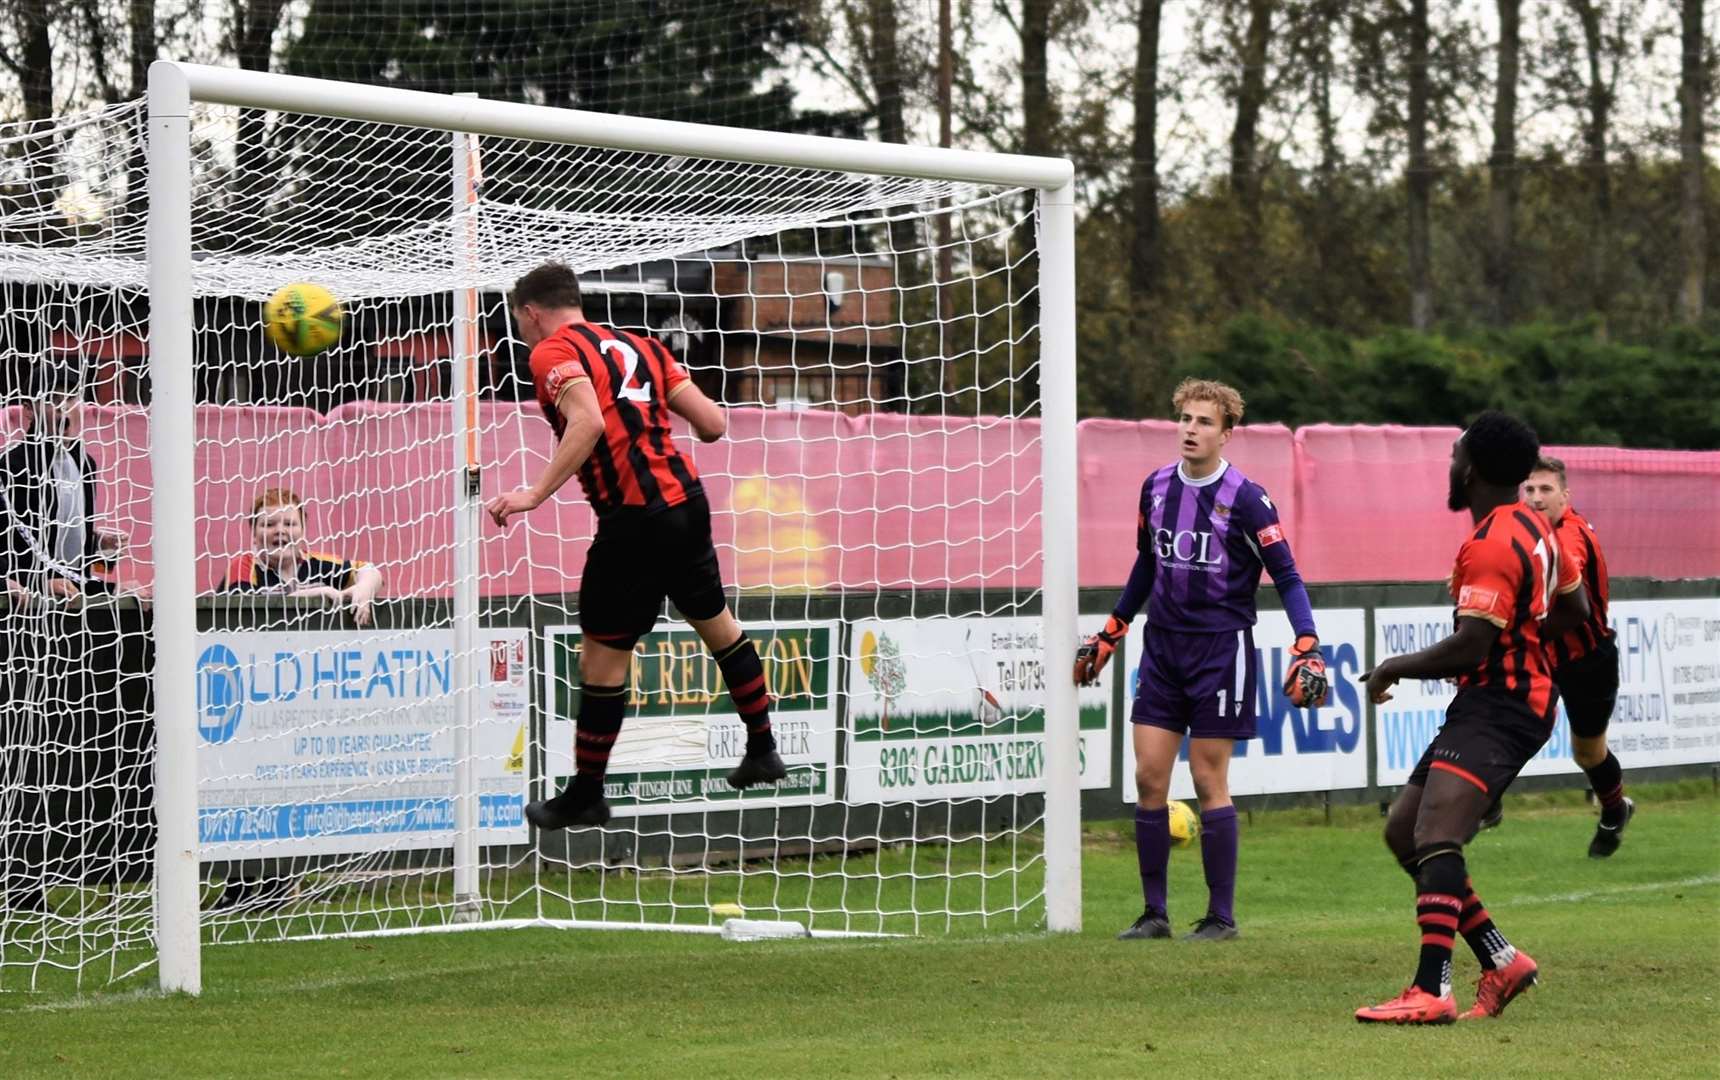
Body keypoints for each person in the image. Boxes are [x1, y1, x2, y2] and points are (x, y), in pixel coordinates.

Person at [488, 261, 783, 831]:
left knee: (601, 655)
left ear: (531, 313)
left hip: (632, 519)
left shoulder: (551, 351)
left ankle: (586, 794)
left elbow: (588, 423)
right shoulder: (643, 346)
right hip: (686, 503)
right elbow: (714, 424)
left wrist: (533, 494)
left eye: (519, 322)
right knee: (717, 624)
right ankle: (763, 748)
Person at [1073, 378, 1327, 942]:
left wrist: (1307, 641)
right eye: (1185, 418)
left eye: (1204, 422)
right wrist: (1113, 630)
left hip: (1221, 649)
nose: (1191, 429)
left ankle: (1220, 917)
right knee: (1148, 777)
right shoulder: (1155, 487)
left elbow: (1286, 574)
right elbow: (1147, 565)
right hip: (1162, 647)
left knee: (1209, 777)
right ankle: (1154, 913)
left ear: (1227, 434)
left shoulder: (1248, 499)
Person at [1356, 412, 1587, 1025]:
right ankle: (1501, 959)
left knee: (1436, 835)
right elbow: (1576, 607)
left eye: (1455, 455)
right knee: (1406, 831)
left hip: (1503, 706)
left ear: (1475, 470)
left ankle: (1431, 990)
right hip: (1497, 700)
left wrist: (1391, 668)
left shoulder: (1492, 543)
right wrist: (1530, 643)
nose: (1450, 465)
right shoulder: (1538, 527)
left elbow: (1469, 646)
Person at [1, 357, 129, 914]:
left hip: (74, 607)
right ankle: (22, 879)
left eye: (75, 396)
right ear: (31, 409)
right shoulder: (13, 464)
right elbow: (15, 538)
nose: (68, 407)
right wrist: (35, 582)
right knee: (28, 740)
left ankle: (85, 860)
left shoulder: (87, 461)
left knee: (72, 734)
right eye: (56, 397)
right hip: (28, 615)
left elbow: (70, 534)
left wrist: (99, 547)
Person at [1523, 456, 1634, 857]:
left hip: (1589, 659)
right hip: (1542, 654)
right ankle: (1482, 805)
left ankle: (1615, 809)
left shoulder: (1570, 534)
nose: (1536, 498)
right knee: (1510, 721)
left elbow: (1563, 570)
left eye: (1546, 490)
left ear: (1565, 496)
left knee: (1587, 753)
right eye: (1530, 490)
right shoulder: (1522, 530)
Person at [220, 487, 383, 627]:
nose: (280, 530)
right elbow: (249, 611)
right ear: (254, 534)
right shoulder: (243, 566)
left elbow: (370, 571)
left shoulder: (317, 564)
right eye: (269, 524)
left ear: (303, 531)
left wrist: (365, 588)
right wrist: (316, 594)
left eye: (289, 524)